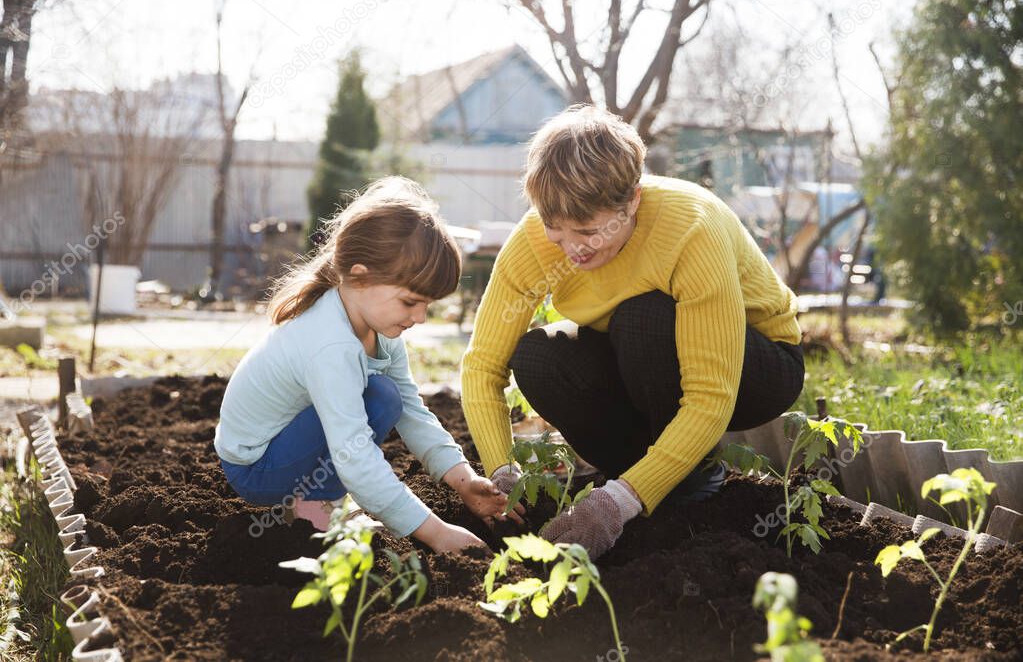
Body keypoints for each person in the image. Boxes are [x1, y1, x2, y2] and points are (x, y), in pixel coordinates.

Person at [462, 106, 804, 559]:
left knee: (642, 317)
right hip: (634, 358)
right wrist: (502, 473)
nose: (572, 249)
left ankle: (685, 480)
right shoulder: (533, 244)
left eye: (587, 231)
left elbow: (709, 396)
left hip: (756, 367)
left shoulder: (691, 227)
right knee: (539, 356)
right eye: (555, 230)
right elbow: (482, 366)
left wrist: (618, 503)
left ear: (633, 201)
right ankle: (631, 474)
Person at [215, 177, 523, 553]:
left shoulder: (379, 329)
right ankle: (317, 508)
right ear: (359, 276)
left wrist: (463, 479)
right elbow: (355, 457)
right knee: (376, 399)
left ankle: (319, 500)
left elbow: (411, 410)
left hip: (285, 445)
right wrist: (436, 533)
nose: (421, 318)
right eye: (411, 302)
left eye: (428, 304)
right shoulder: (330, 343)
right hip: (256, 466)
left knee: (386, 397)